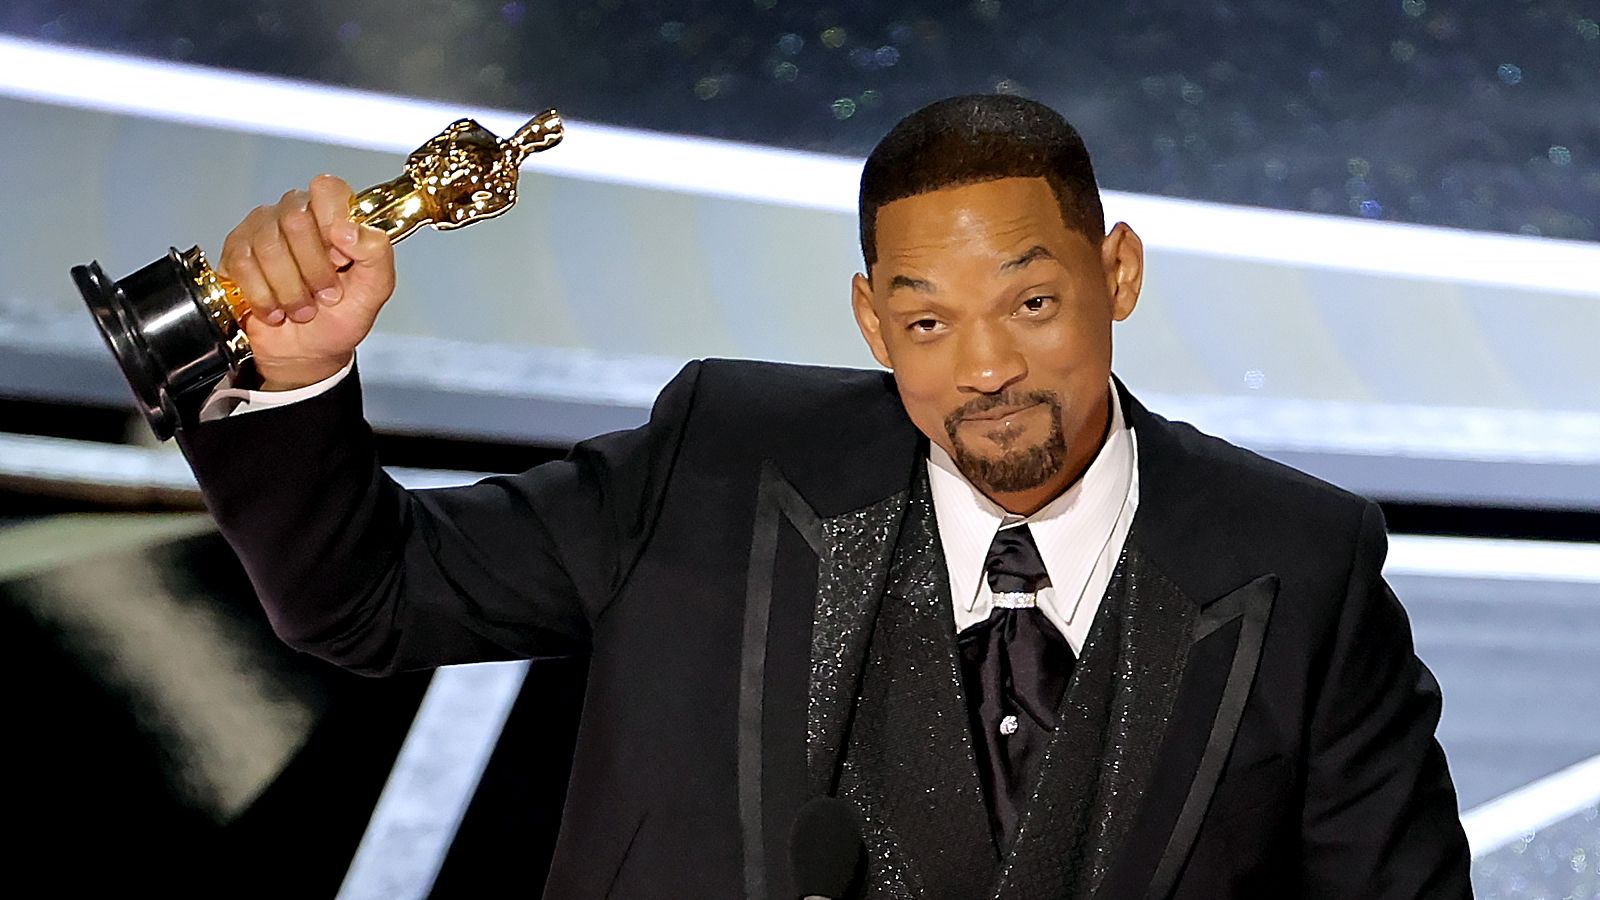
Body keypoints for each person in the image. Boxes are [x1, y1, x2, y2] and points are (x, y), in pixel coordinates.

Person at [177, 95, 1472, 898]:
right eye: (924, 318)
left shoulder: (1301, 562)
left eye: (1032, 302)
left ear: (1116, 272)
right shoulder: (722, 462)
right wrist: (295, 374)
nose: (985, 368)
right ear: (868, 319)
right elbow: (368, 599)